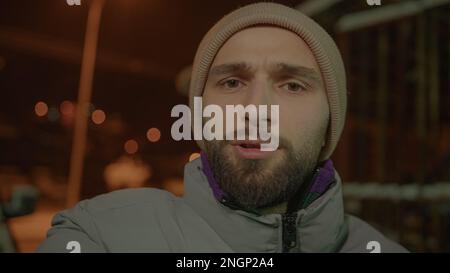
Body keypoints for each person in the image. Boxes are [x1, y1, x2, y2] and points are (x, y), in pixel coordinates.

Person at [37, 2, 407, 253]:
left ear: (331, 122)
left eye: (293, 85)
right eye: (232, 83)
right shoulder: (101, 234)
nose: (255, 110)